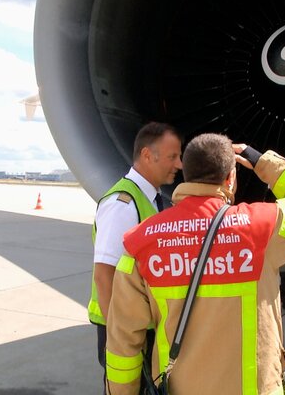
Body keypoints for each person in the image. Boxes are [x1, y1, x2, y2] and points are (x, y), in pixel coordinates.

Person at [105, 133, 285, 395]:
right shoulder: (262, 227)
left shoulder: (141, 242)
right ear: (231, 178)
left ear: (186, 174)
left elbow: (123, 341)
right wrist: (260, 160)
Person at [88, 122, 182, 390]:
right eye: (172, 156)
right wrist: (121, 337)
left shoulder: (151, 199)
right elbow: (104, 274)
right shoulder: (123, 204)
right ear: (146, 155)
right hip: (123, 330)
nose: (179, 164)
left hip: (137, 324)